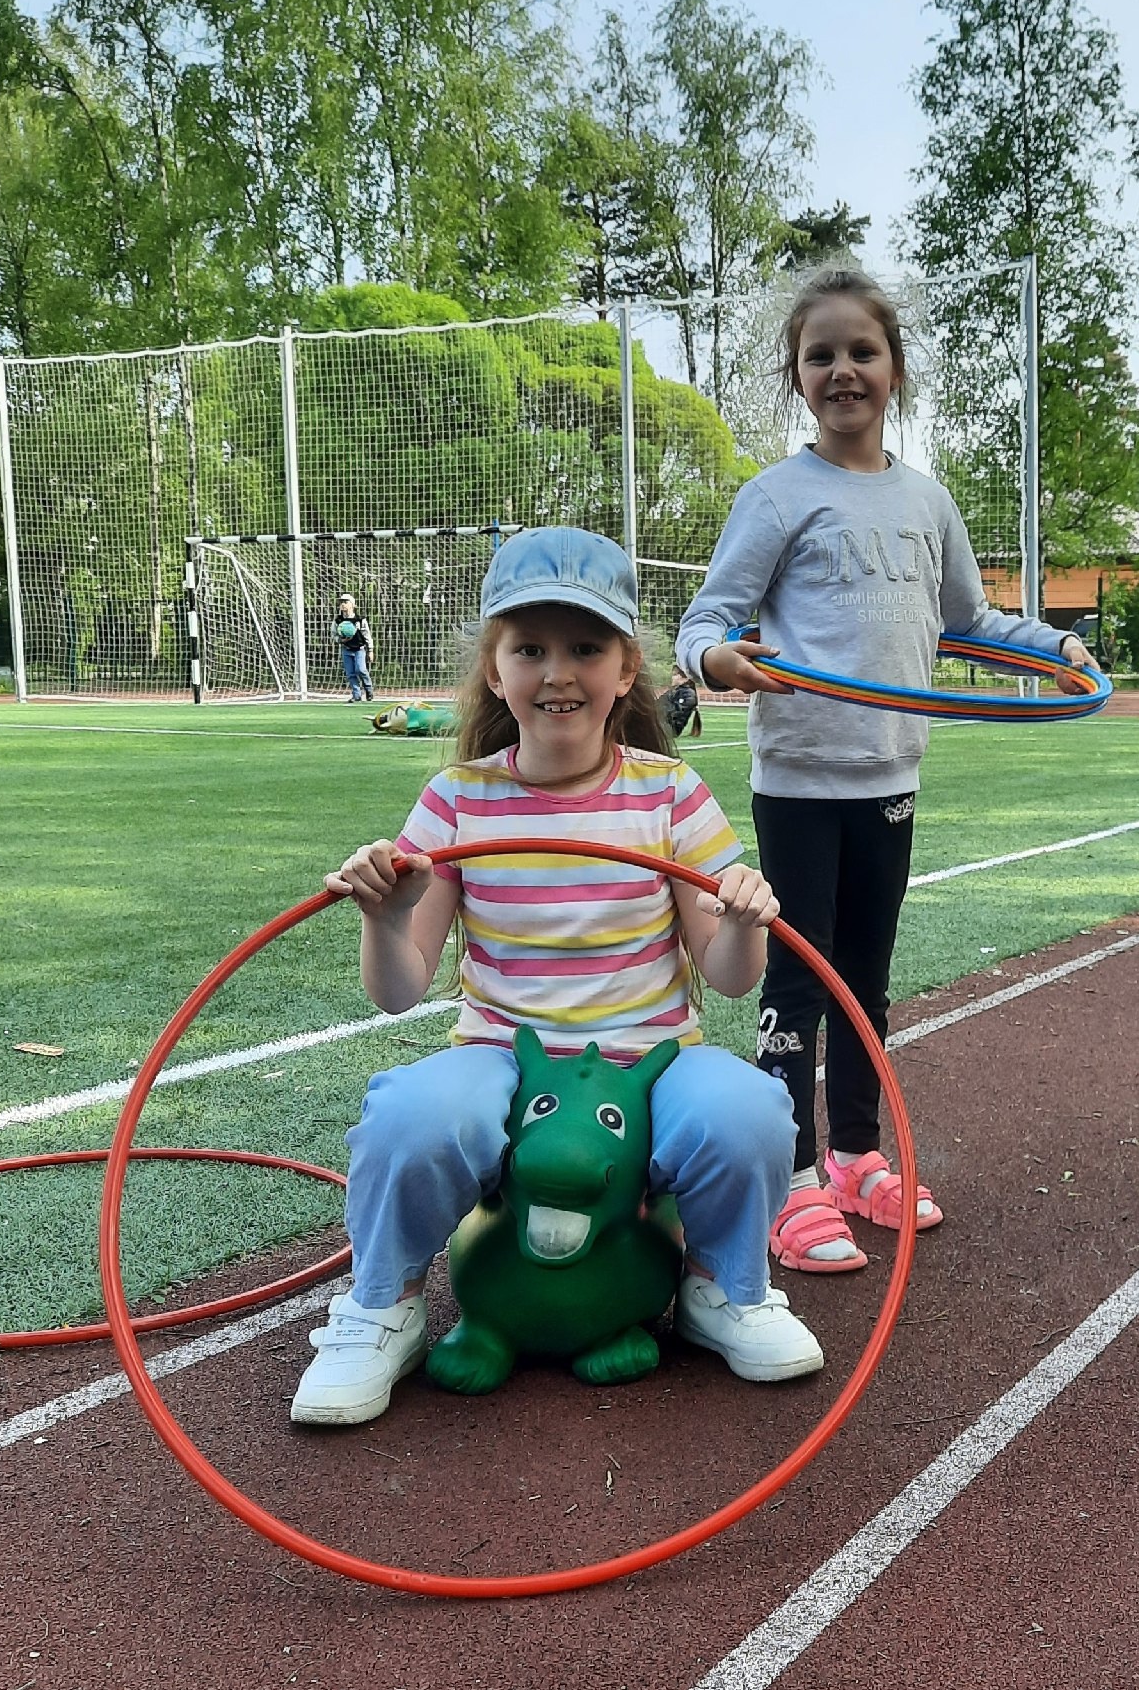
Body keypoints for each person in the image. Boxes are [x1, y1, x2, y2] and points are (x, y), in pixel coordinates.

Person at [291, 526, 823, 1428]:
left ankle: (722, 1288)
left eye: (585, 648)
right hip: (506, 1057)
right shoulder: (458, 798)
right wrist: (383, 917)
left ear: (626, 669)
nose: (557, 673)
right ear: (495, 670)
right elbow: (399, 989)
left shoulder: (670, 793)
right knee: (409, 1116)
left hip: (648, 1061)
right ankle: (383, 1307)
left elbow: (731, 979)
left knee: (750, 1112)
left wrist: (741, 921)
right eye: (530, 649)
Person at [676, 266, 1091, 1274]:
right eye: (820, 355)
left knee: (866, 979)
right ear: (798, 377)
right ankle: (789, 1177)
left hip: (890, 777)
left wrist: (1054, 648)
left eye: (862, 351)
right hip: (800, 781)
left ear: (894, 368)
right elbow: (706, 619)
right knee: (800, 977)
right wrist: (717, 660)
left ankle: (856, 1155)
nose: (843, 370)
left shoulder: (926, 499)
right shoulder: (776, 497)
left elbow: (969, 621)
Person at [336, 595, 374, 701]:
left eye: (345, 602)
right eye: (341, 602)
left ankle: (368, 689)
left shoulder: (360, 620)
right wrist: (341, 640)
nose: (343, 604)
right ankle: (356, 694)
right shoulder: (338, 620)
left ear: (352, 605)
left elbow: (367, 635)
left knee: (361, 669)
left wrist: (370, 650)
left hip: (359, 649)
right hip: (346, 649)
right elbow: (333, 635)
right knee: (350, 673)